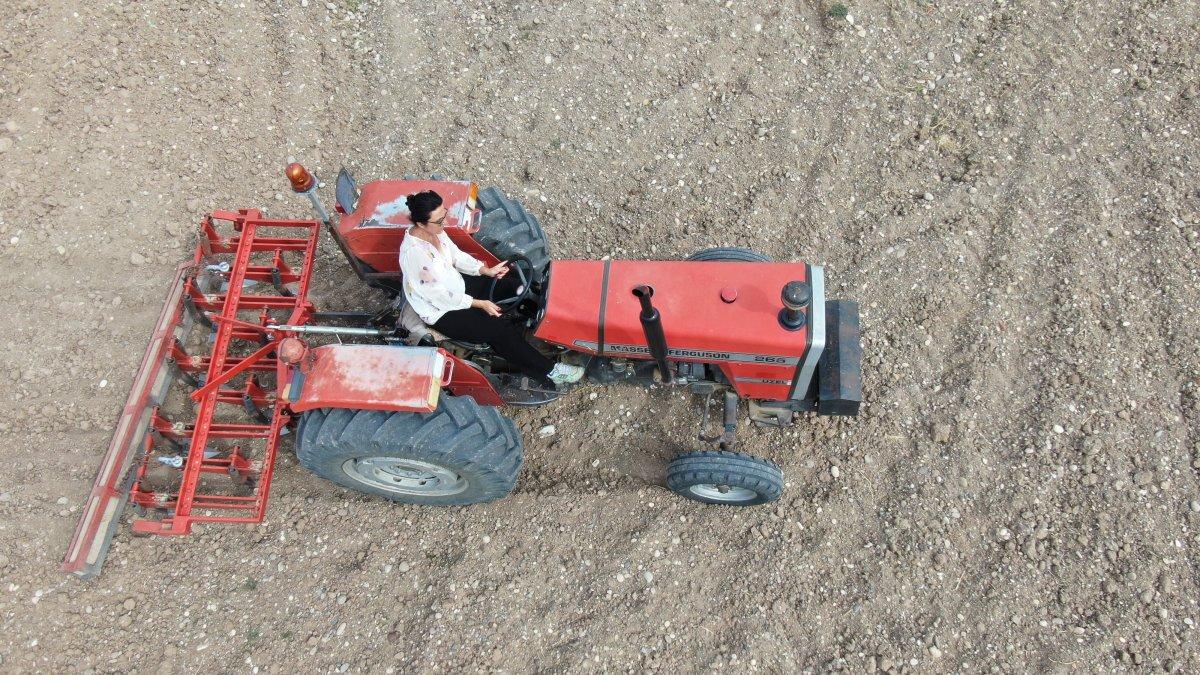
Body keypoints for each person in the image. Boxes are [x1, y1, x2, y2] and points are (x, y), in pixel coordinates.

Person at [398, 190, 584, 387]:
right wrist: (480, 304)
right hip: (441, 309)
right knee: (497, 330)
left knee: (516, 285)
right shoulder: (414, 254)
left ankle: (555, 324)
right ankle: (549, 371)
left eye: (444, 214)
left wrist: (485, 270)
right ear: (420, 224)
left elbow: (456, 256)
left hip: (457, 285)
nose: (444, 222)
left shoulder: (436, 231)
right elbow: (439, 296)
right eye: (439, 220)